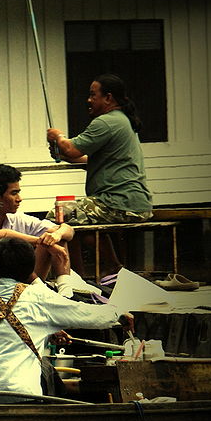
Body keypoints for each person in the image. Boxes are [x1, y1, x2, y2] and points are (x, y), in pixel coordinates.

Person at [0, 237, 134, 401]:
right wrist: (120, 314)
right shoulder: (38, 296)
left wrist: (42, 331)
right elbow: (86, 314)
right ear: (31, 269)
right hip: (19, 392)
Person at [46, 74, 153, 285]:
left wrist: (58, 137)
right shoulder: (122, 120)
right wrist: (60, 150)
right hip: (129, 201)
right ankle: (112, 267)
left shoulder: (107, 122)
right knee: (81, 217)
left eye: (93, 95)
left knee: (61, 213)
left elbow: (71, 148)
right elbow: (76, 155)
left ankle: (74, 276)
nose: (89, 99)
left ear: (108, 98)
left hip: (119, 202)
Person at [0, 164, 100, 309]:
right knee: (5, 245)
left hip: (14, 287)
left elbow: (68, 230)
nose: (20, 198)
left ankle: (65, 293)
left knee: (53, 236)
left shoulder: (16, 218)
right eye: (14, 193)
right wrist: (40, 241)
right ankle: (42, 291)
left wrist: (56, 235)